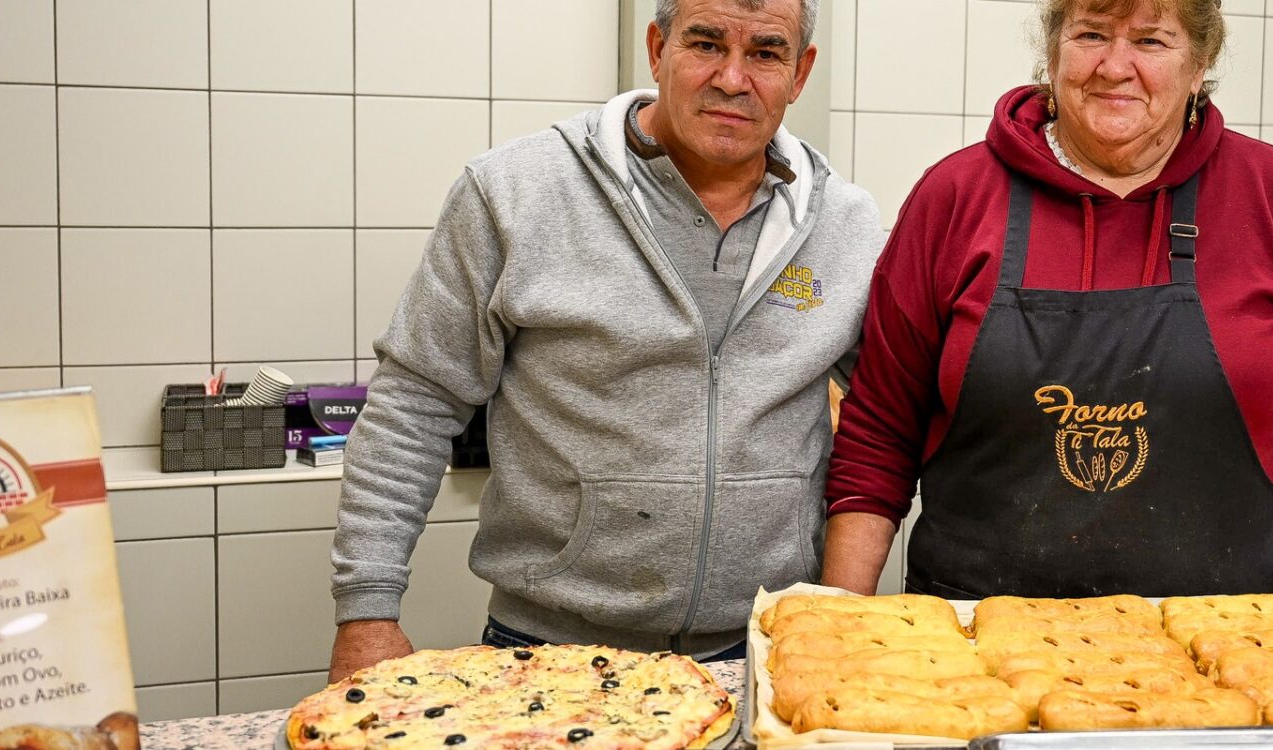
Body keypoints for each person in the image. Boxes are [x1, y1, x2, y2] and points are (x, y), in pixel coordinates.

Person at [820, 0, 1273, 607]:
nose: (1114, 65)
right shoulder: (954, 198)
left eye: (1150, 40)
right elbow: (880, 425)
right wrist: (840, 618)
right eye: (1091, 34)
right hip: (979, 641)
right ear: (1052, 51)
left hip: (1231, 637)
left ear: (1199, 64)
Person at [327, 0, 883, 682]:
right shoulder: (517, 192)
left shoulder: (847, 224)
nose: (733, 79)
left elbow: (895, 416)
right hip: (548, 655)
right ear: (657, 48)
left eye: (766, 52)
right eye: (705, 43)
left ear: (801, 73)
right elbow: (412, 406)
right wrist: (368, 611)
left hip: (763, 653)